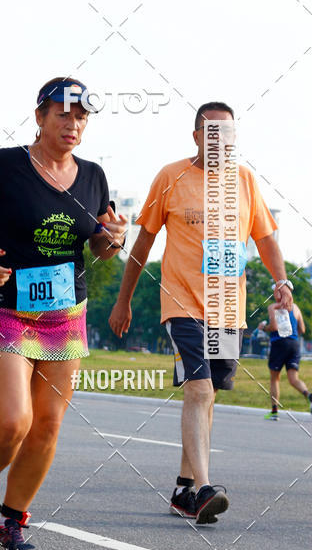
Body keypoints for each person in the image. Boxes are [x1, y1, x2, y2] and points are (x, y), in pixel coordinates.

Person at [0, 78, 127, 550]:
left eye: (81, 116)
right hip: (6, 306)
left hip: (65, 311)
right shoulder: (7, 164)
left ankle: (12, 522)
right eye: (62, 114)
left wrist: (113, 238)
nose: (72, 124)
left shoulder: (94, 176)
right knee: (12, 419)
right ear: (40, 116)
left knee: (46, 425)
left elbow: (99, 247)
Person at [109, 102, 293, 524]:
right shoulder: (170, 176)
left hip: (228, 308)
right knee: (199, 390)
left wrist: (281, 280)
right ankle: (205, 490)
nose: (223, 141)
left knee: (208, 398)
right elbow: (143, 244)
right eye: (214, 133)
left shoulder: (245, 181)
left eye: (230, 133)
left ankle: (182, 488)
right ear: (197, 137)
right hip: (183, 303)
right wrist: (124, 299)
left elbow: (265, 239)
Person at [259, 302, 312, 419]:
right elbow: (302, 329)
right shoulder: (296, 307)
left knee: (275, 379)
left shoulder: (273, 306)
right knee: (293, 379)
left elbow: (274, 327)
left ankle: (274, 412)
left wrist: (263, 328)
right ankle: (309, 395)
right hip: (294, 344)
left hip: (279, 344)